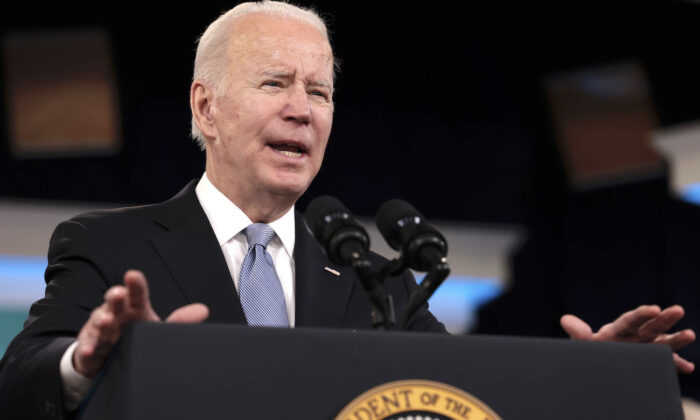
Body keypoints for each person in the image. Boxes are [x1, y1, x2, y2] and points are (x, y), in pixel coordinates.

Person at [0, 1, 694, 419]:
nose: (303, 109)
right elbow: (21, 382)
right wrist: (88, 361)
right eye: (276, 82)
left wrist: (591, 379)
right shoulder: (109, 245)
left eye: (321, 92)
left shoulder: (377, 283)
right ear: (205, 106)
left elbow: (461, 399)